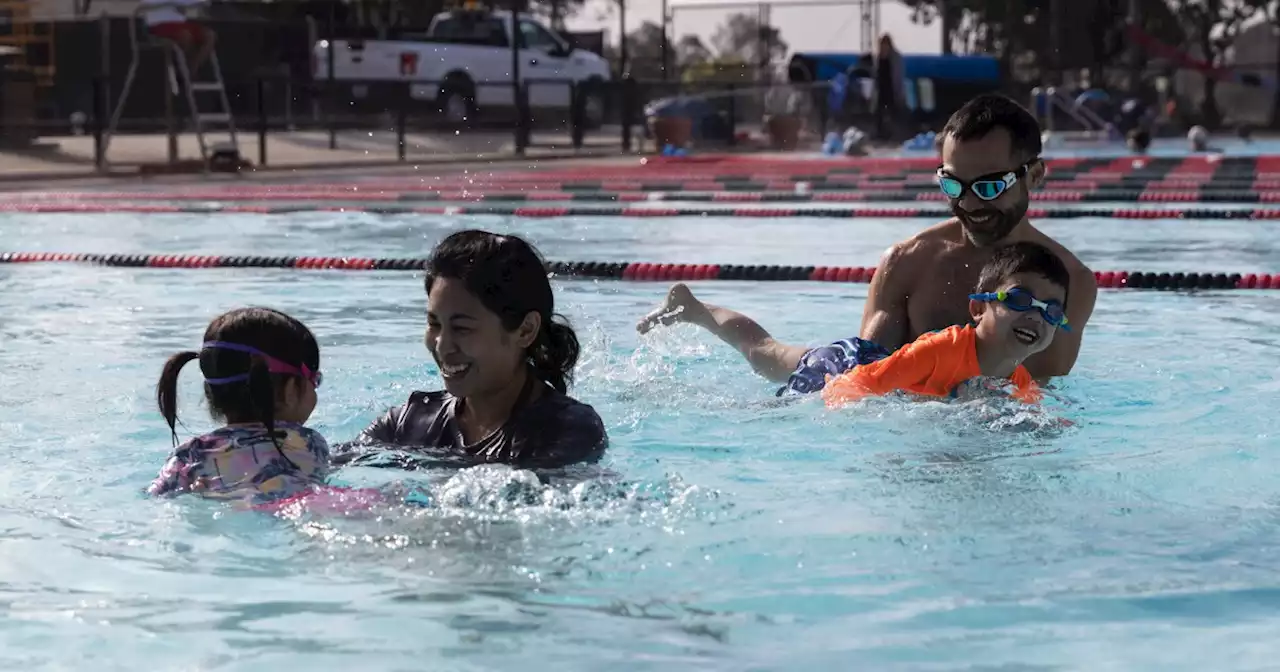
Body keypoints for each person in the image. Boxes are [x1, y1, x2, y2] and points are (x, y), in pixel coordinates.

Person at [637, 93, 1097, 391]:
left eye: (990, 187)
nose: (971, 203)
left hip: (950, 407)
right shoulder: (911, 260)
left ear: (1034, 176)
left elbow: (1039, 388)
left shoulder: (1070, 283)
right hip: (880, 376)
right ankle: (698, 310)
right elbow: (865, 378)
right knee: (769, 356)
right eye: (954, 186)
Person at [339, 230, 607, 470]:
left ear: (525, 330)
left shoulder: (567, 430)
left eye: (462, 328)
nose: (442, 345)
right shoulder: (408, 423)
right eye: (434, 324)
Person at [822, 241, 1070, 407]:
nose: (1036, 316)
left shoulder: (1020, 383)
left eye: (1052, 311)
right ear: (978, 308)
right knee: (791, 363)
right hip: (844, 364)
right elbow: (853, 386)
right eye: (1019, 299)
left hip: (892, 371)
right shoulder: (937, 351)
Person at [148, 307, 329, 503]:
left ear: (211, 393)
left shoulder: (188, 455)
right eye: (315, 381)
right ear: (291, 390)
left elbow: (155, 497)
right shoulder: (308, 442)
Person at [139, 0, 217, 76]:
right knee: (185, 35)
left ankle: (192, 69)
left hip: (180, 25)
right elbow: (146, 4)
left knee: (209, 35)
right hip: (158, 25)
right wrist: (173, 4)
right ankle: (183, 71)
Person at [873, 34, 906, 140]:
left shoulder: (895, 57)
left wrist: (899, 92)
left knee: (893, 112)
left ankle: (894, 134)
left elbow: (898, 76)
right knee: (879, 112)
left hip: (892, 89)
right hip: (881, 89)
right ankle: (881, 133)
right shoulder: (878, 57)